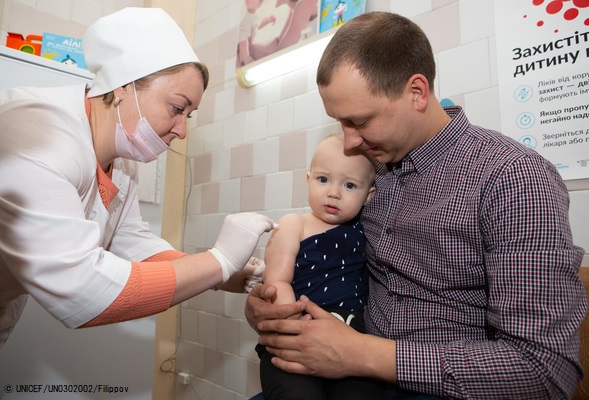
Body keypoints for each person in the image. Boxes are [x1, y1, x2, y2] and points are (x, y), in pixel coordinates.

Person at [245, 11, 587, 399]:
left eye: (359, 120)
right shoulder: (366, 173)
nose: (348, 142)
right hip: (344, 376)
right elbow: (319, 258)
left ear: (417, 92)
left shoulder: (513, 178)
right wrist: (268, 309)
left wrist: (362, 354)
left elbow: (544, 371)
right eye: (339, 122)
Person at [0, 7, 275, 348]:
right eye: (177, 108)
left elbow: (134, 243)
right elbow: (82, 288)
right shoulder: (37, 133)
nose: (182, 130)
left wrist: (222, 275)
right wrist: (218, 262)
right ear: (122, 88)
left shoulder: (119, 158)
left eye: (190, 114)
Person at [257, 133, 383, 399]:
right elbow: (277, 281)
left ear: (368, 195)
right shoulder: (294, 225)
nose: (333, 193)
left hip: (351, 341)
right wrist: (294, 329)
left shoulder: (365, 231)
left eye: (349, 185)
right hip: (296, 334)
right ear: (308, 179)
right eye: (323, 179)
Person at [248, 0, 318, 61]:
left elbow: (282, 52)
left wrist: (252, 50)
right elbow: (278, 42)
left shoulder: (304, 3)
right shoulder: (293, 9)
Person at [237, 0, 277, 67]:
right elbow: (242, 40)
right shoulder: (246, 18)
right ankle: (245, 59)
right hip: (241, 50)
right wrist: (246, 59)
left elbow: (256, 26)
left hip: (247, 45)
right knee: (244, 41)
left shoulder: (253, 14)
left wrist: (267, 20)